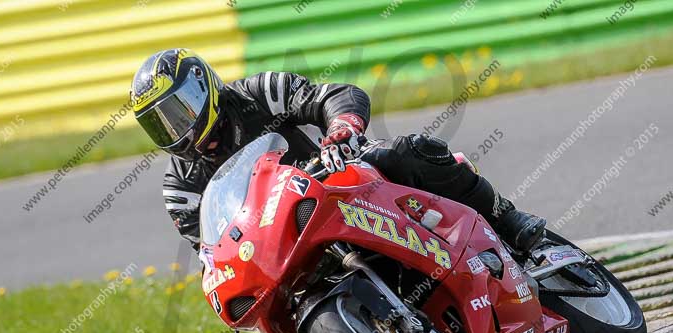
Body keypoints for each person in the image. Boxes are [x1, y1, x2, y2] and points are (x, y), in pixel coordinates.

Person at [130, 49, 545, 252]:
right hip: (283, 245)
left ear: (202, 87)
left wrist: (341, 128)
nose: (176, 128)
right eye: (161, 123)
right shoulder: (180, 190)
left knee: (405, 152)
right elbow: (211, 253)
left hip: (336, 181)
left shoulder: (259, 93)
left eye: (177, 112)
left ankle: (505, 218)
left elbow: (333, 95)